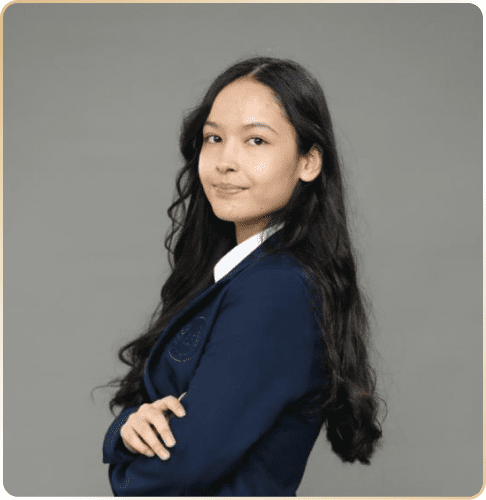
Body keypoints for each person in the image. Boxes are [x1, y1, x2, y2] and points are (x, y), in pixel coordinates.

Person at [96, 55, 387, 496]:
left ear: (308, 162)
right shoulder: (239, 276)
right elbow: (161, 423)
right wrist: (128, 427)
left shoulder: (276, 290)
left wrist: (123, 467)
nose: (225, 161)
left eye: (256, 140)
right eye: (214, 138)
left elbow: (180, 468)